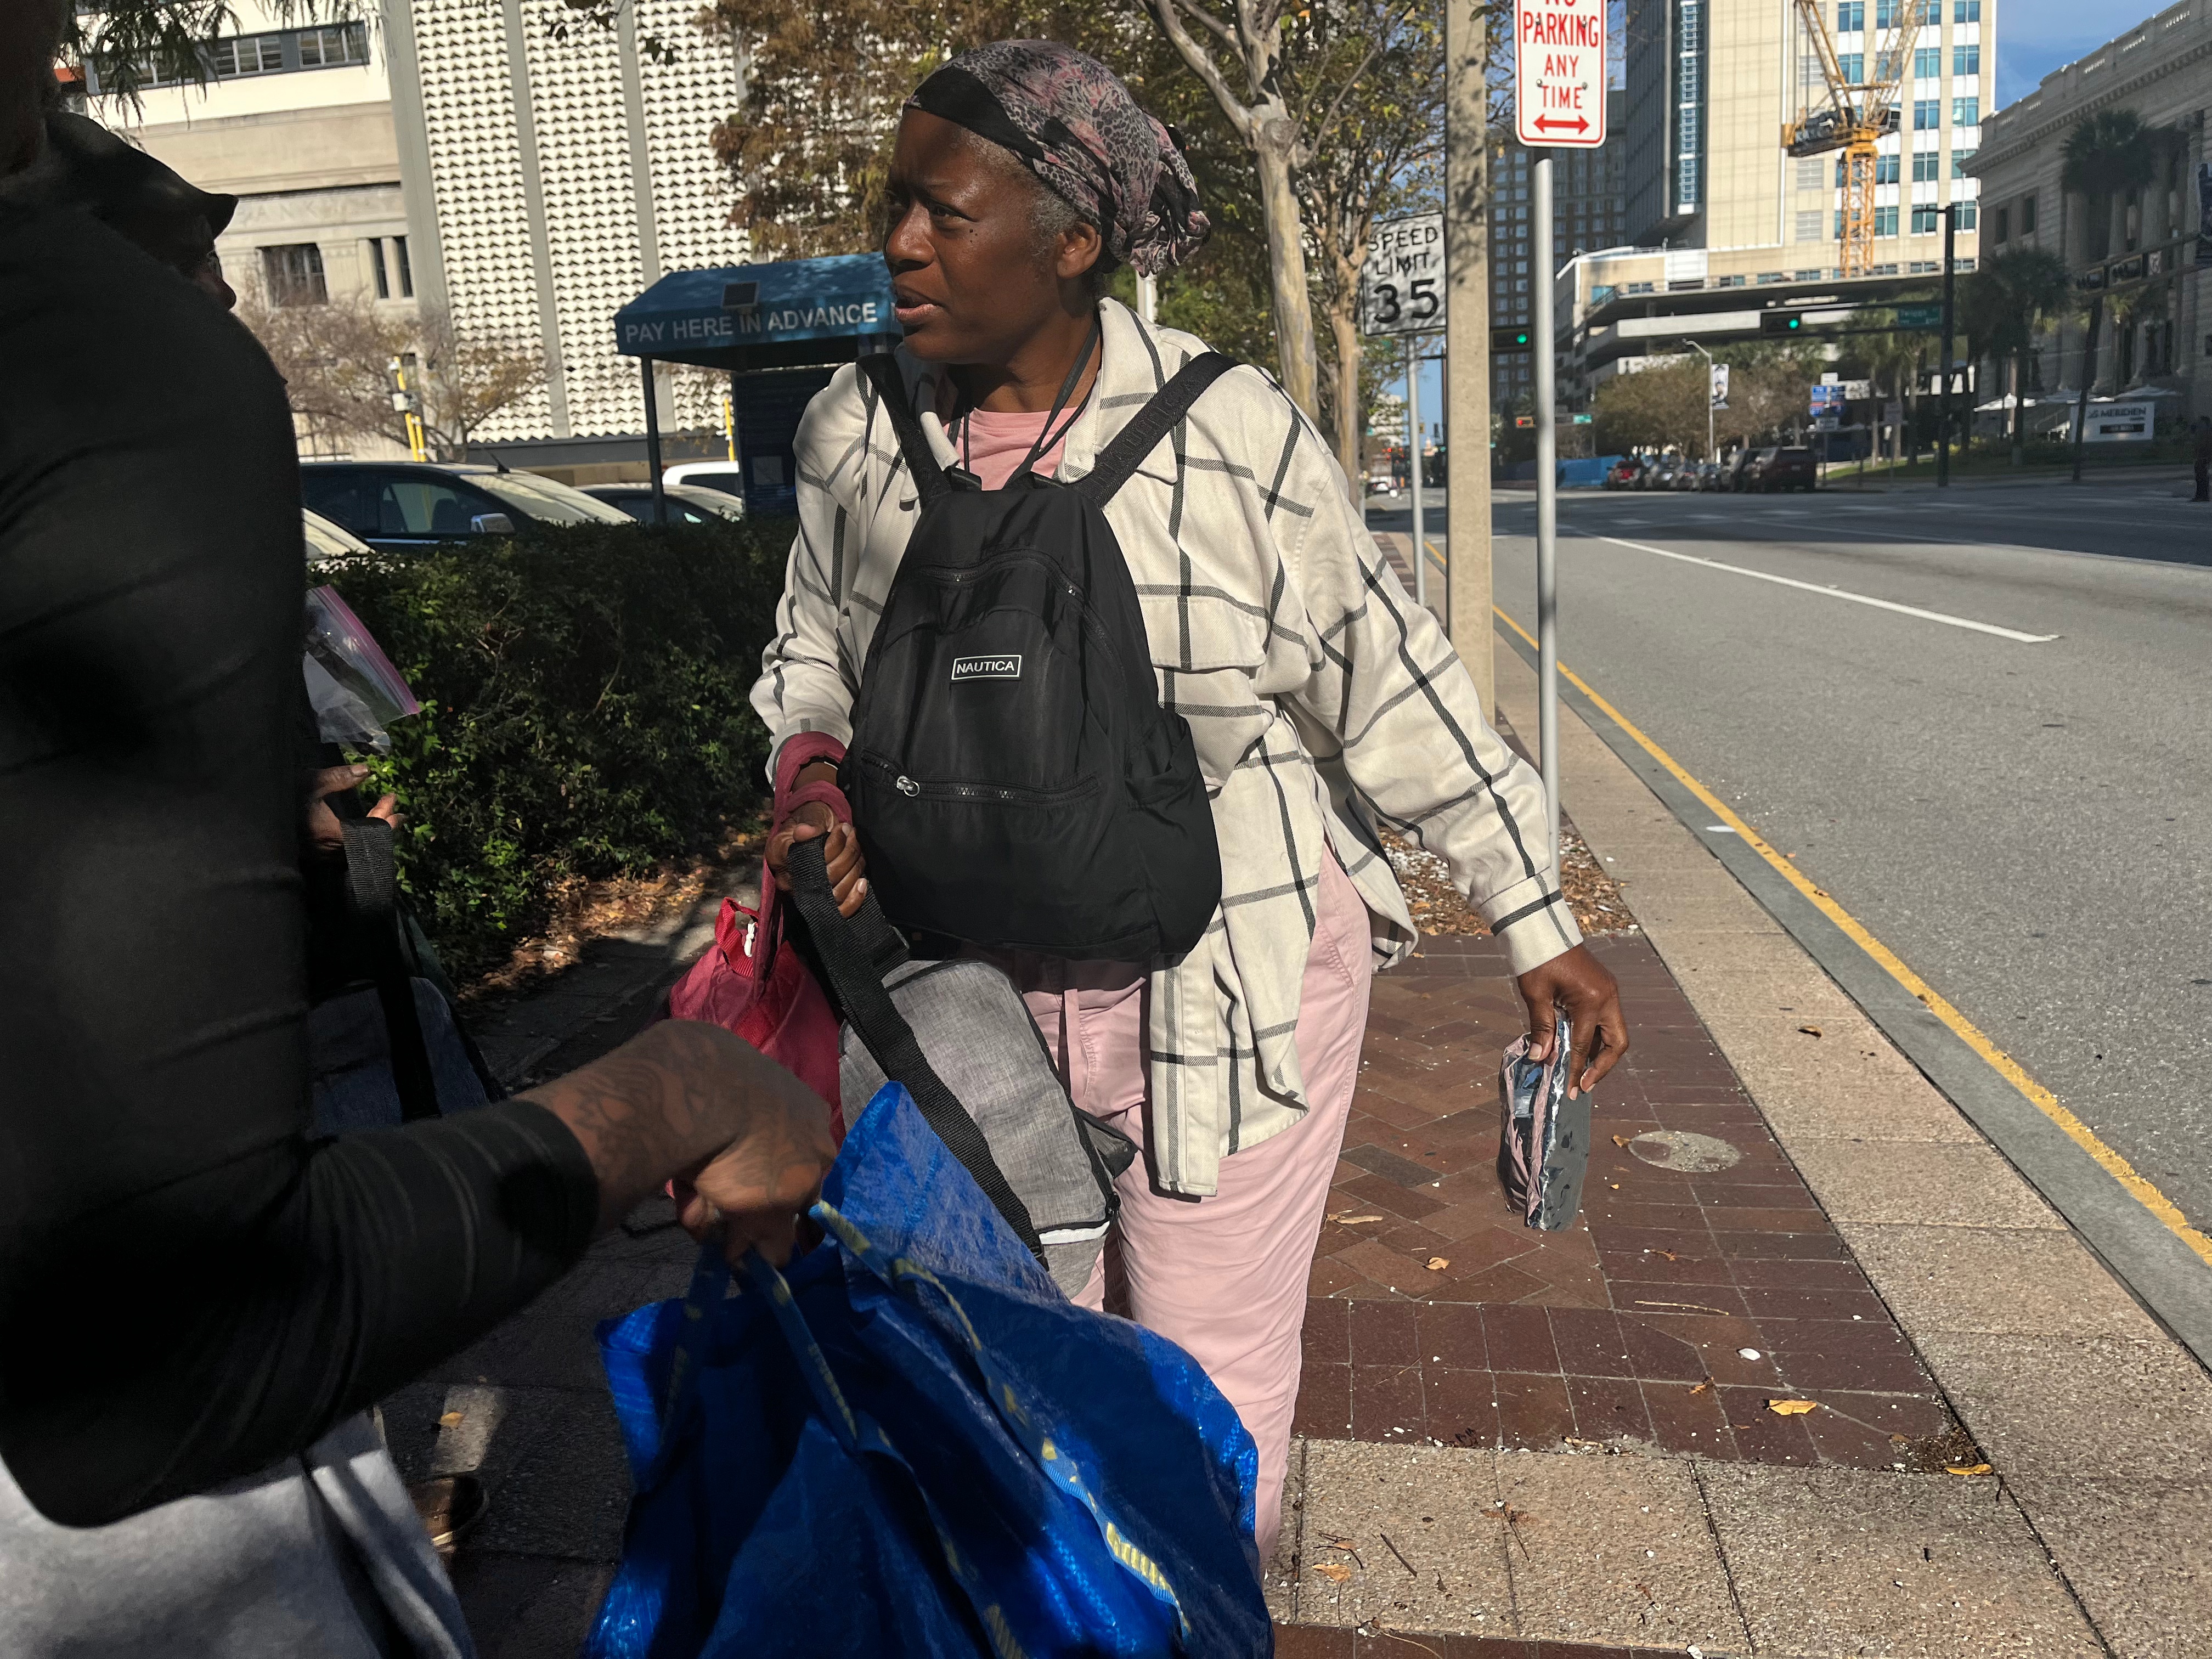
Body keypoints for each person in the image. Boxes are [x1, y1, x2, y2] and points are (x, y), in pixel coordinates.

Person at [0, 14, 833, 1652]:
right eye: (186, 265)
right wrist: (687, 1086)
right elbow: (176, 1345)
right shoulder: (92, 371)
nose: (217, 304)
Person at [756, 39, 1628, 1559]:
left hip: (1228, 980)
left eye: (945, 212)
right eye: (894, 205)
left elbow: (1381, 669)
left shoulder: (1226, 431)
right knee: (1005, 1359)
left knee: (1204, 1380)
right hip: (963, 993)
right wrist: (811, 776)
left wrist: (1532, 910)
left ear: (1071, 240)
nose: (899, 243)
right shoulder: (854, 432)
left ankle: (1198, 1615)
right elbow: (811, 651)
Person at [2193, 416, 2209, 503]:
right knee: (2200, 477)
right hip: (2201, 457)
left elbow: (2205, 447)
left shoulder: (2207, 435)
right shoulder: (2204, 435)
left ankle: (2202, 495)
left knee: (2201, 477)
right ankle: (2201, 495)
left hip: (2203, 458)